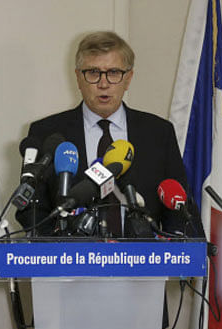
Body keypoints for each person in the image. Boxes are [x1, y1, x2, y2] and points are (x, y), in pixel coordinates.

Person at [16, 31, 202, 238]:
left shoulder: (158, 133)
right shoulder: (47, 133)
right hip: (70, 263)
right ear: (78, 77)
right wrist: (60, 252)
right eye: (93, 72)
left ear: (128, 78)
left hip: (144, 264)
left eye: (114, 72)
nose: (103, 84)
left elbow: (178, 209)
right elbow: (31, 210)